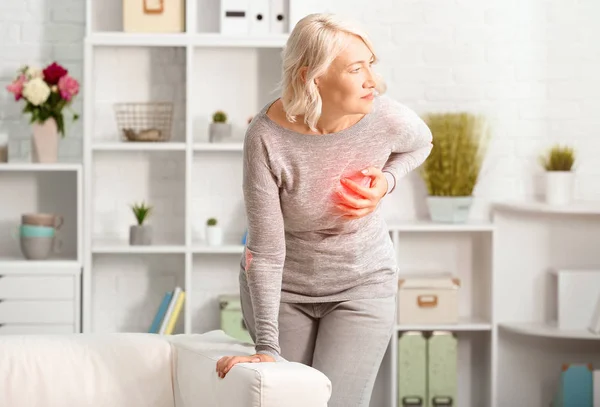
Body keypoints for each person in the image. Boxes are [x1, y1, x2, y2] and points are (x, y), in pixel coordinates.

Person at [216, 12, 433, 407]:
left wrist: (386, 181)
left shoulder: (384, 117)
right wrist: (267, 346)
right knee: (289, 400)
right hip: (284, 289)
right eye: (355, 68)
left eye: (371, 64)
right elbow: (265, 250)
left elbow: (422, 143)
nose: (373, 80)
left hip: (361, 283)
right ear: (313, 77)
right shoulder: (265, 137)